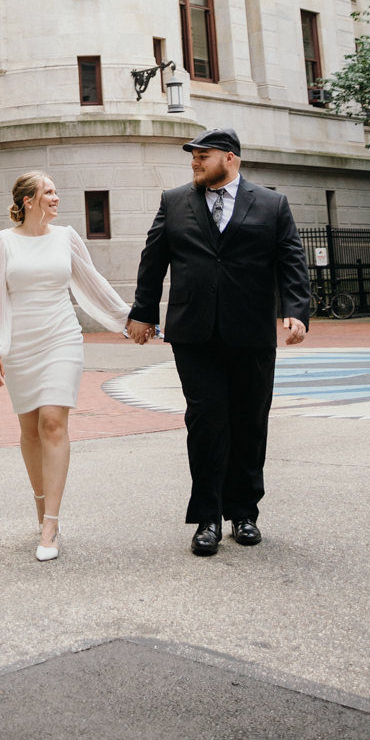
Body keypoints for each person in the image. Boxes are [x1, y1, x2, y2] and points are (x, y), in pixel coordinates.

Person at [126, 126, 311, 557]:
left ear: (230, 158)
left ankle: (244, 513)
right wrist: (142, 313)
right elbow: (153, 261)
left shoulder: (272, 203)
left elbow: (291, 261)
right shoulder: (174, 202)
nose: (194, 161)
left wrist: (296, 311)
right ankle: (207, 518)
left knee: (250, 421)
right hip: (194, 333)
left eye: (203, 155)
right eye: (192, 155)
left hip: (251, 332)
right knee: (207, 421)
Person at [0, 170, 130, 561]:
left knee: (52, 422)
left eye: (55, 191)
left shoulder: (66, 238)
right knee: (30, 431)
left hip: (62, 337)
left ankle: (51, 524)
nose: (56, 198)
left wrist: (127, 318)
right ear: (28, 200)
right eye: (48, 192)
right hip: (21, 344)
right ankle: (40, 502)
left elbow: (92, 282)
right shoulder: (1, 243)